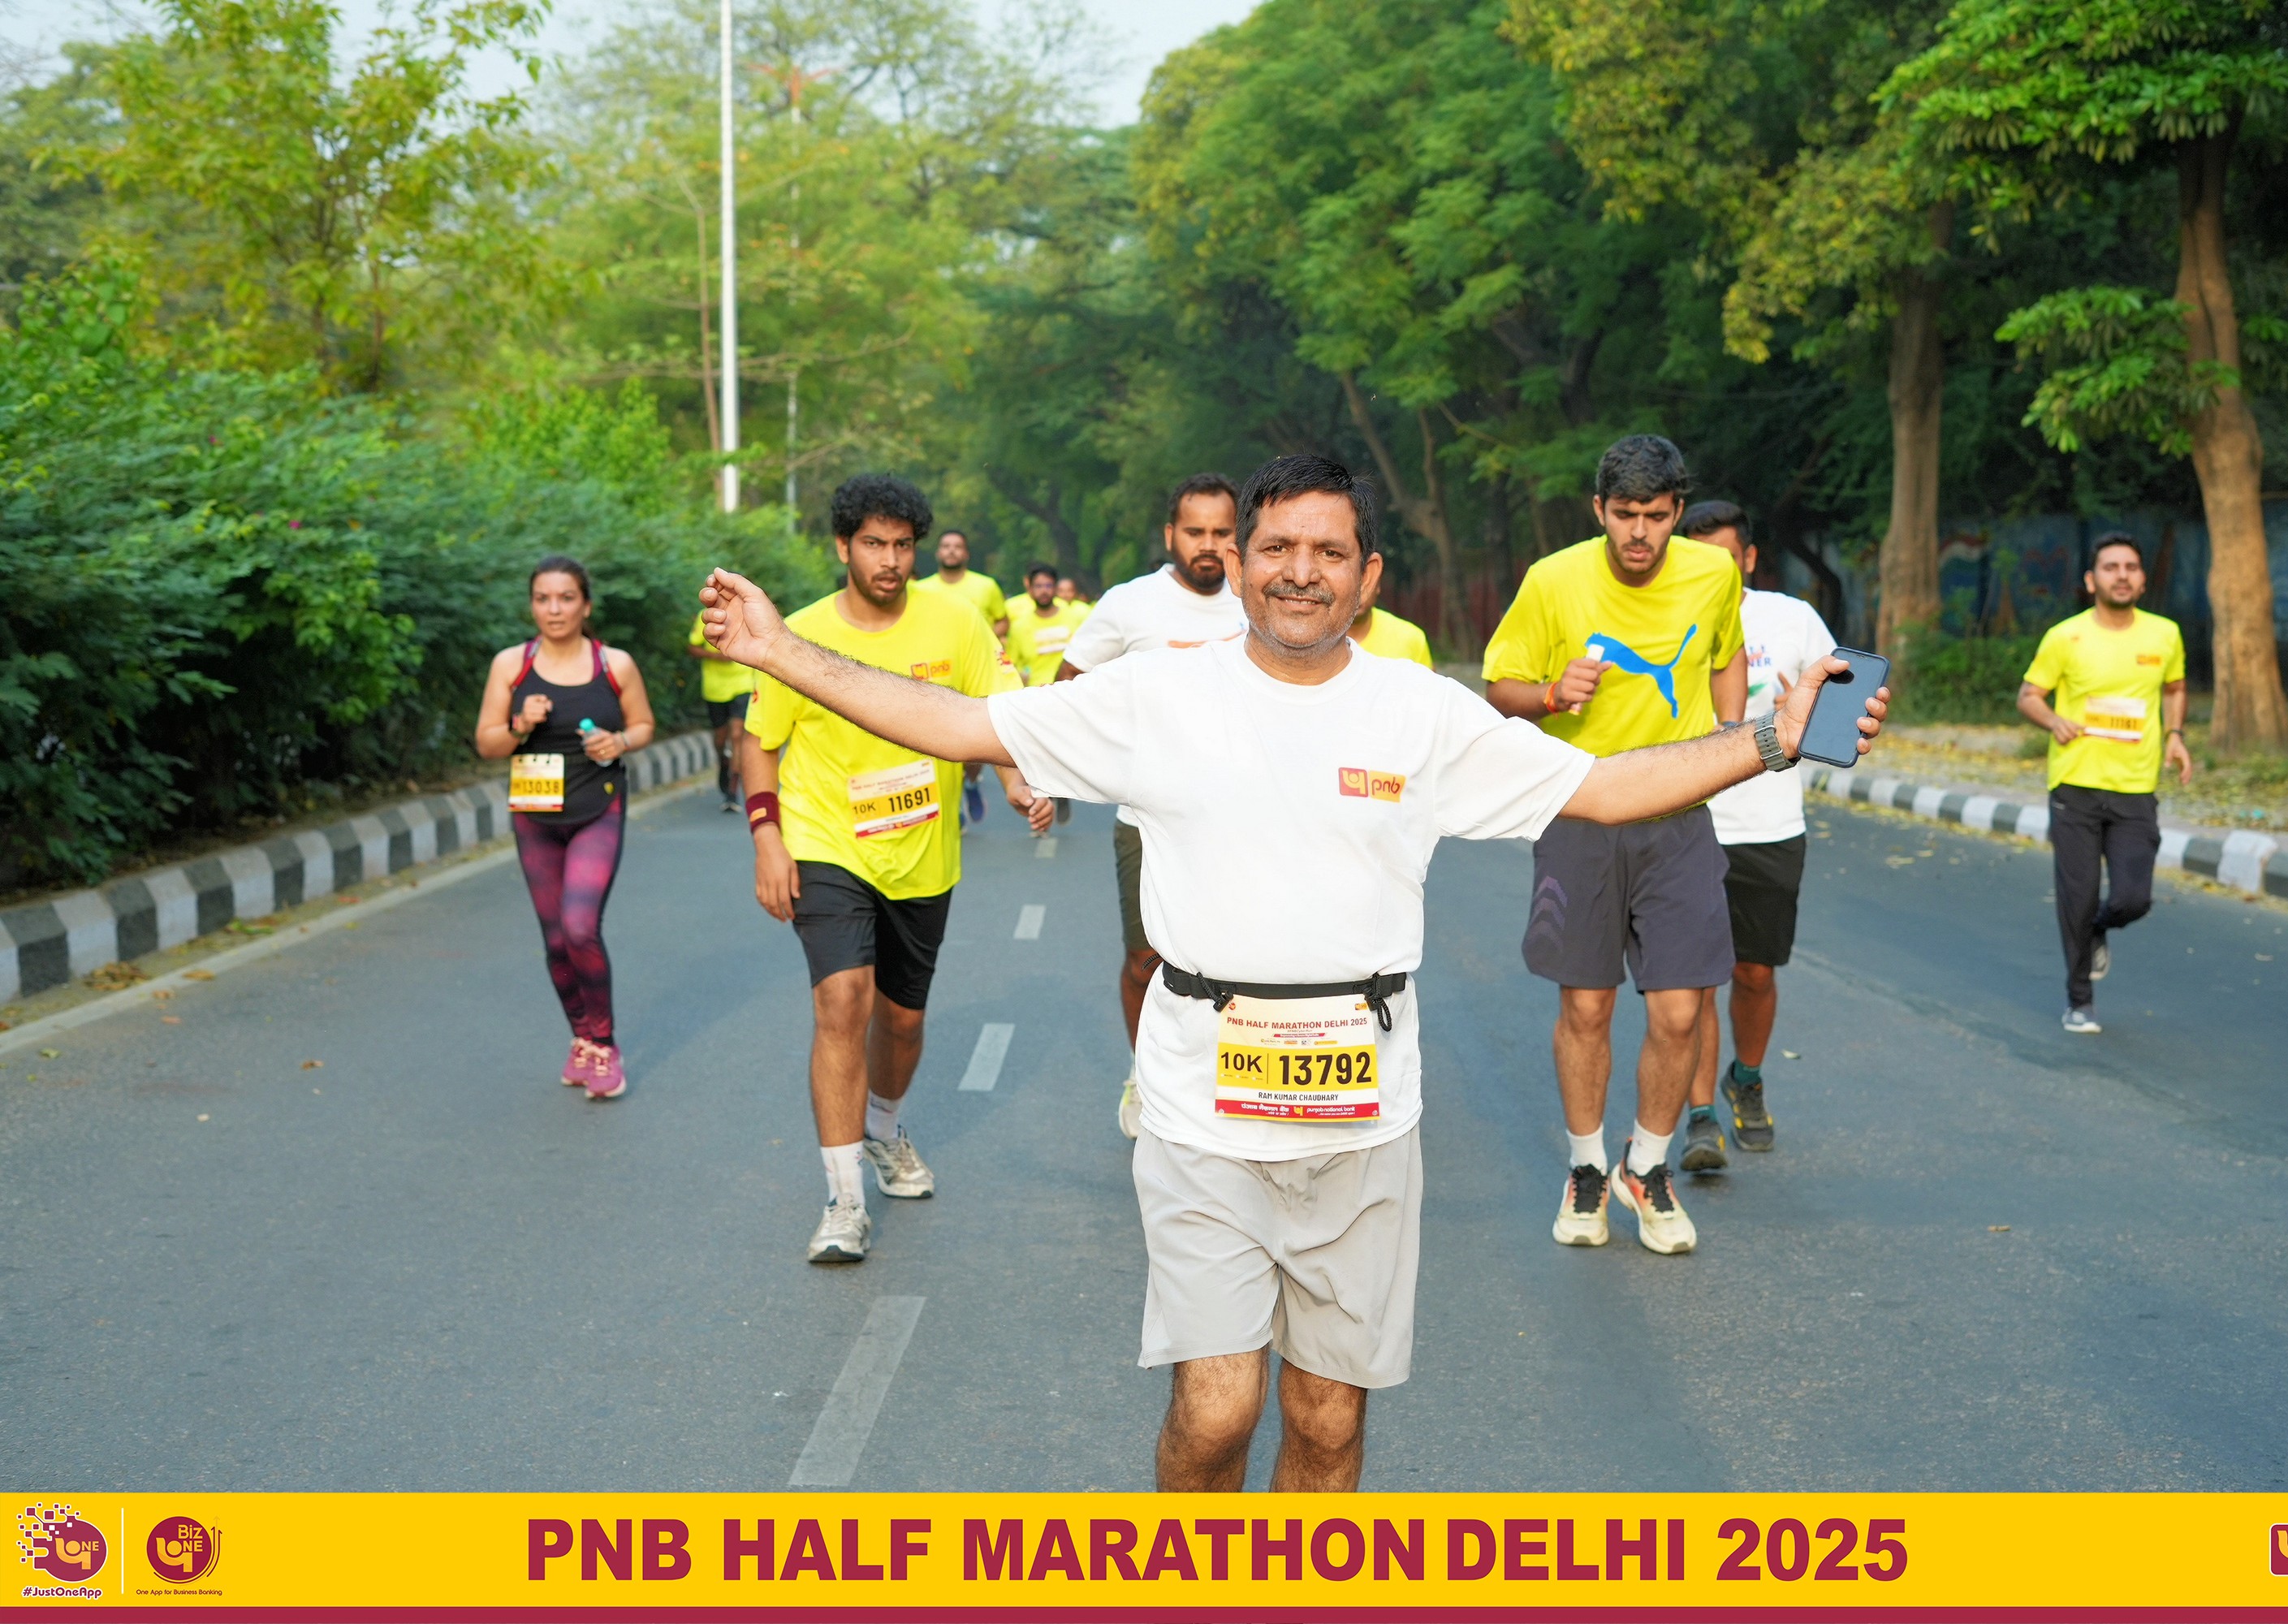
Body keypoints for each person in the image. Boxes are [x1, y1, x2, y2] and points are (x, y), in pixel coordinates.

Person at [697, 451, 1882, 1492]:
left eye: (1329, 552)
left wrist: (1771, 739)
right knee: (1219, 1410)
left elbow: (1608, 789)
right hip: (1202, 1109)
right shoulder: (1160, 696)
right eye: (1276, 548)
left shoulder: (1420, 712)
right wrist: (779, 650)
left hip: (1365, 1117)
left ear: (1369, 578)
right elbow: (959, 724)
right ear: (1239, 566)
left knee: (1326, 1418)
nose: (1300, 572)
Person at [740, 475, 1052, 1265]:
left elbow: (997, 713)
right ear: (842, 546)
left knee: (902, 1021)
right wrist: (768, 838)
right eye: (874, 544)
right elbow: (759, 739)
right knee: (841, 999)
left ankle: (883, 1126)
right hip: (826, 840)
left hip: (921, 850)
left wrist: (1017, 782)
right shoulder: (799, 635)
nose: (890, 560)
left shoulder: (957, 623)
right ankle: (843, 1199)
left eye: (903, 545)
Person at [1480, 434, 1747, 1255]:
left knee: (1680, 1009)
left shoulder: (1714, 572)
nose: (1639, 532)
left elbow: (1727, 653)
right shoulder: (1552, 579)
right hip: (1581, 811)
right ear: (1598, 509)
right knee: (1587, 1006)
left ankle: (1649, 1165)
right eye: (1625, 514)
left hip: (1679, 816)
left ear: (1677, 512)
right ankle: (1588, 1166)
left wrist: (1731, 731)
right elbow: (1498, 688)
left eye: (1656, 516)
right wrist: (1551, 693)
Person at [1056, 472, 1248, 1140]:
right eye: (1195, 531)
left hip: (1242, 823)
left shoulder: (1259, 602)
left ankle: (1221, 1078)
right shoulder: (1130, 605)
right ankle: (1145, 1073)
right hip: (1148, 822)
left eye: (1222, 532)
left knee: (1235, 963)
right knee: (1147, 961)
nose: (1208, 545)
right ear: (1170, 535)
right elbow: (1067, 688)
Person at [1676, 501, 1837, 1169]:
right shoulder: (1666, 615)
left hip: (1769, 830)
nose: (1710, 570)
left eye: (1723, 557)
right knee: (1693, 981)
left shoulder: (1792, 619)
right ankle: (1700, 1119)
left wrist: (1809, 715)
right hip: (1687, 823)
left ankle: (1745, 1078)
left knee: (1754, 972)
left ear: (1747, 558)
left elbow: (1841, 710)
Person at [476, 555, 657, 1100]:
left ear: (586, 605)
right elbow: (487, 743)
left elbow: (644, 724)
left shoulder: (614, 665)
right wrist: (519, 725)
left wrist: (618, 741)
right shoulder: (511, 665)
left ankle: (604, 1044)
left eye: (566, 598)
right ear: (532, 606)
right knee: (555, 940)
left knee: (580, 926)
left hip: (597, 809)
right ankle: (581, 1037)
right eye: (543, 599)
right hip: (534, 817)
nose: (554, 609)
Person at [2017, 533, 2191, 1035]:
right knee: (2078, 893)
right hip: (2075, 783)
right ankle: (2080, 1000)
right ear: (2092, 581)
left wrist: (2175, 735)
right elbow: (2029, 695)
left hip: (2136, 786)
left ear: (2143, 580)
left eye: (2131, 567)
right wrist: (2054, 721)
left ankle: (2097, 928)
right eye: (2111, 567)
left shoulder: (2165, 634)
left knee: (2133, 898)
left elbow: (2175, 688)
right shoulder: (2065, 637)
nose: (2122, 575)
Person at [918, 529, 1008, 823]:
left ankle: (970, 782)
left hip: (975, 673)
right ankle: (951, 804)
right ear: (938, 552)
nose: (951, 551)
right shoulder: (922, 589)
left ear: (966, 553)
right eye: (946, 546)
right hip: (935, 673)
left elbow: (1003, 621)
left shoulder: (986, 586)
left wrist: (979, 641)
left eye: (957, 546)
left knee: (973, 742)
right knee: (936, 741)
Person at [689, 608, 754, 812]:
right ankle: (724, 762)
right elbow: (692, 648)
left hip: (743, 684)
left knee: (737, 735)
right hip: (715, 689)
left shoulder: (749, 613)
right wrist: (715, 656)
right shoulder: (707, 616)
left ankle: (732, 792)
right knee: (720, 739)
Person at [1004, 563, 1093, 687]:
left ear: (1056, 588)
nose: (1044, 591)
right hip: (1036, 692)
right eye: (1038, 586)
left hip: (1072, 689)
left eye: (1048, 585)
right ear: (1030, 590)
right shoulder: (1018, 627)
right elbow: (1011, 667)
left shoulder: (1076, 618)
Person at [1349, 569, 1433, 670]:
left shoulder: (1411, 637)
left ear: (1378, 585)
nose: (1358, 594)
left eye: (1365, 584)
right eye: (1351, 585)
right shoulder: (1330, 640)